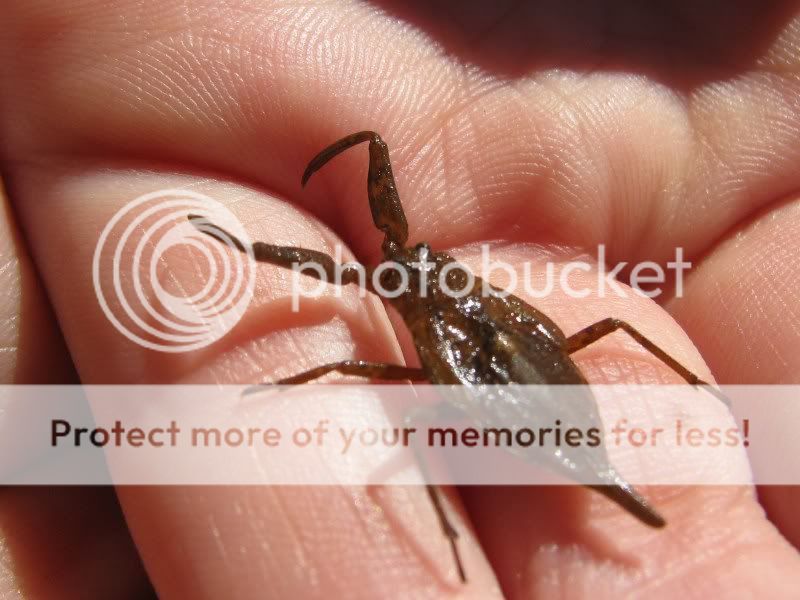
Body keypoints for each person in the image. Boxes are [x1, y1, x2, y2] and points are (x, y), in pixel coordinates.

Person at [0, 1, 798, 597]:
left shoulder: (401, 289)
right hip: (509, 358)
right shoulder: (433, 279)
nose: (398, 253)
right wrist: (247, 246)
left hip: (503, 371)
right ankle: (595, 475)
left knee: (423, 415)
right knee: (602, 324)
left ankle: (547, 495)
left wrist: (276, 324)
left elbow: (386, 313)